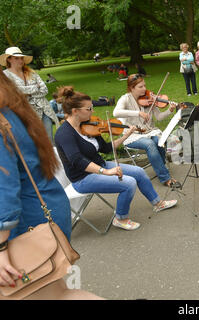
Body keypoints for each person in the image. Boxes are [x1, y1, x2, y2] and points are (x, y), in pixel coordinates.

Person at [0, 70, 102, 300]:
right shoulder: (12, 108)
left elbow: (3, 186)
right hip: (43, 212)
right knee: (59, 293)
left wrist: (1, 248)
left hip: (25, 224)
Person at [54, 86, 177, 231]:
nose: (93, 112)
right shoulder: (64, 134)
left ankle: (157, 203)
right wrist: (106, 172)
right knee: (129, 183)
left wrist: (126, 135)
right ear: (75, 111)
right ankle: (120, 218)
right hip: (83, 178)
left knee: (139, 172)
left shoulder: (89, 125)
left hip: (101, 165)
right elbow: (77, 160)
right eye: (89, 109)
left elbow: (106, 148)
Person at [113, 74, 181, 188]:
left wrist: (170, 110)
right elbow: (116, 112)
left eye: (144, 85)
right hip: (132, 135)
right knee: (150, 144)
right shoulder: (125, 99)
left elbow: (159, 117)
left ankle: (161, 167)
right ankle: (165, 178)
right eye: (140, 87)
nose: (144, 89)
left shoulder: (149, 98)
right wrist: (138, 113)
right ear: (131, 88)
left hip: (149, 132)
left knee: (159, 140)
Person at [0, 46, 59, 143]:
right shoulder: (5, 75)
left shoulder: (31, 72)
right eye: (16, 58)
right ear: (9, 59)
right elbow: (13, 93)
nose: (20, 60)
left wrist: (25, 92)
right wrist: (35, 88)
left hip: (44, 110)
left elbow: (44, 90)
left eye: (21, 58)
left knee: (49, 141)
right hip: (26, 112)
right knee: (34, 142)